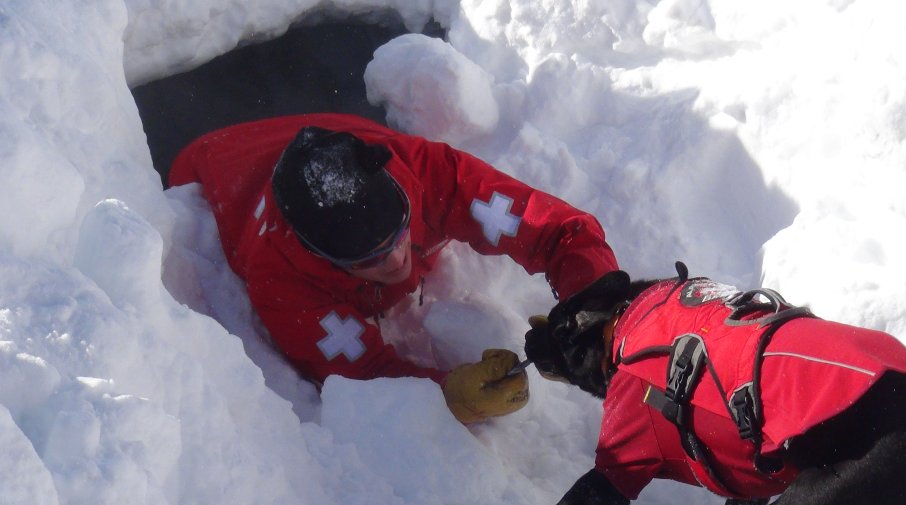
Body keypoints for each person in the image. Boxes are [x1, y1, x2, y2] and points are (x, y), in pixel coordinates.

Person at [168, 112, 618, 423]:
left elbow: (562, 231)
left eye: (400, 233)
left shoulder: (429, 173)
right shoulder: (282, 280)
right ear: (325, 262)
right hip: (212, 160)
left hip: (335, 144)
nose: (398, 260)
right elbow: (360, 373)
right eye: (370, 259)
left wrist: (592, 314)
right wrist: (449, 395)